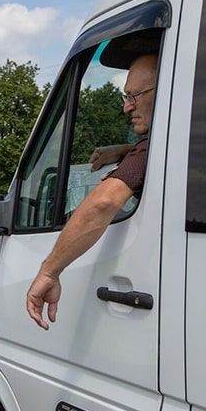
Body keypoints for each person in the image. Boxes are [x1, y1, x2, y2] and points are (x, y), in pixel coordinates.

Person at [26, 50, 158, 330]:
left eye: (134, 96)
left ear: (165, 91)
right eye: (126, 97)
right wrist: (125, 150)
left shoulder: (153, 149)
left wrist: (49, 272)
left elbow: (103, 203)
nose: (127, 107)